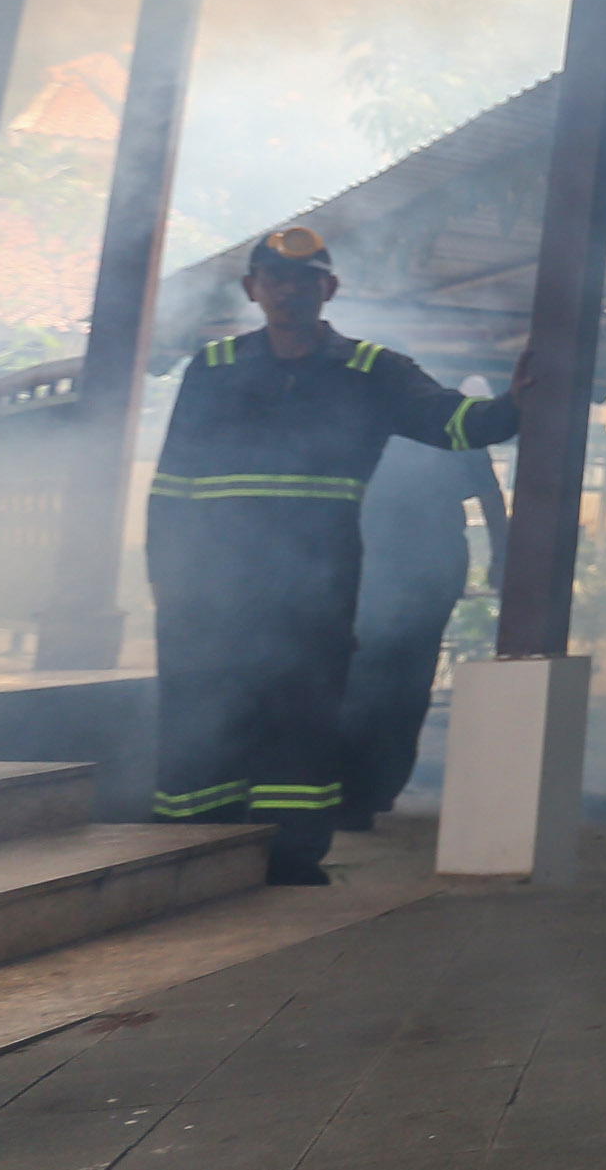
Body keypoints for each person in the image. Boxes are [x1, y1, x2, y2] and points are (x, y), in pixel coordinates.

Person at [145, 227, 521, 885]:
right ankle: (193, 848)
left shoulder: (374, 372)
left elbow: (455, 423)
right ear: (252, 289)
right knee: (204, 715)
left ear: (330, 289)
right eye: (275, 279)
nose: (289, 291)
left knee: (303, 719)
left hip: (313, 595)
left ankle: (292, 856)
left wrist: (521, 404)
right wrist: (167, 585)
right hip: (209, 591)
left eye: (304, 280)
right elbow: (172, 487)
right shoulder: (214, 368)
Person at [334, 434, 508, 827]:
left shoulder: (434, 422)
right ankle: (369, 789)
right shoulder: (435, 419)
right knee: (398, 682)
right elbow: (490, 494)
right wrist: (500, 555)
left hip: (405, 567)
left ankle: (363, 791)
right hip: (397, 565)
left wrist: (501, 556)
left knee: (379, 680)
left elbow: (489, 491)